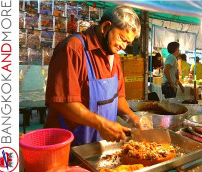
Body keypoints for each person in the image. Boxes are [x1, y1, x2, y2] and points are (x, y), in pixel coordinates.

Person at [44, 6, 144, 146]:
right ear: (105, 27)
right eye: (122, 39)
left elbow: (118, 96)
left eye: (128, 42)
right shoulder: (72, 48)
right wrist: (101, 124)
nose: (124, 46)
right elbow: (63, 102)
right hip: (68, 145)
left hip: (99, 145)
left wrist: (132, 118)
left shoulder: (113, 56)